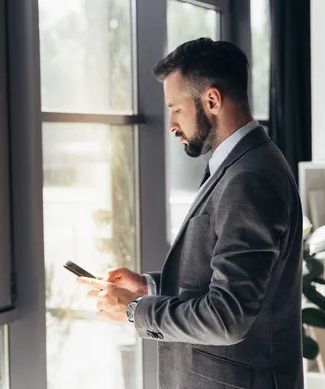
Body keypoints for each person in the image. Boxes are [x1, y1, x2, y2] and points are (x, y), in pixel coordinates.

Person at [77, 38, 304, 389]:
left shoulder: (249, 178)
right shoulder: (241, 164)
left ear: (211, 100)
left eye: (176, 109)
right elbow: (225, 277)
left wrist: (134, 310)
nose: (170, 124)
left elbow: (227, 317)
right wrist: (148, 286)